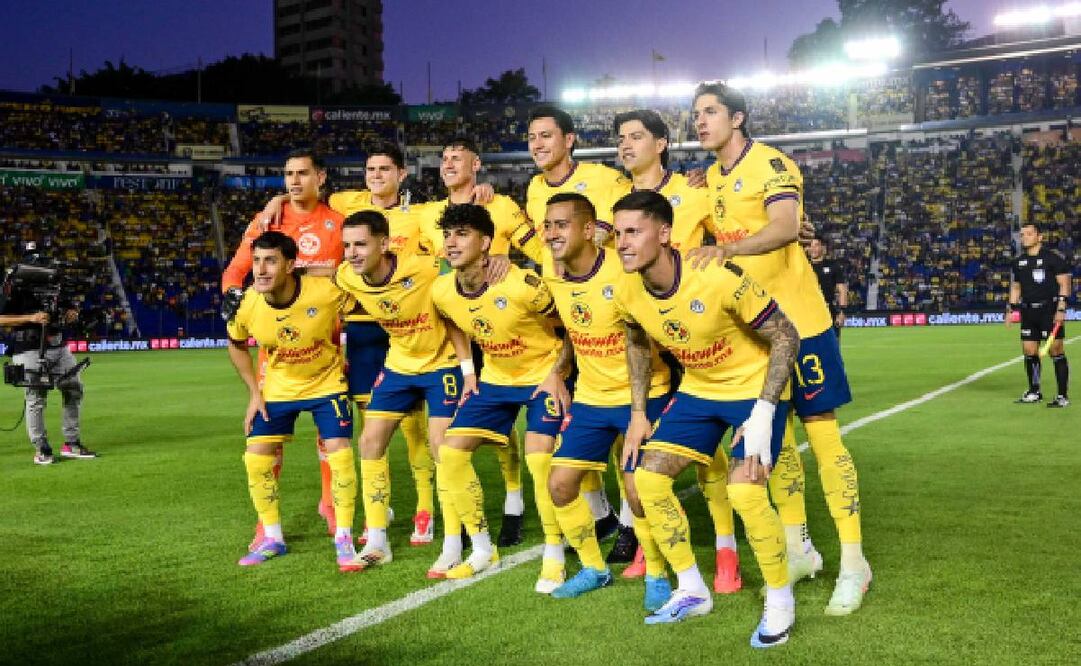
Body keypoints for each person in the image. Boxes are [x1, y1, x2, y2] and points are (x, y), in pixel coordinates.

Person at [690, 81, 872, 615]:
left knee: (826, 441)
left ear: (738, 118)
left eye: (710, 112)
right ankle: (799, 550)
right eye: (695, 114)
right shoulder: (711, 180)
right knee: (778, 444)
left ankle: (855, 563)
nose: (700, 122)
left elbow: (789, 225)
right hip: (756, 330)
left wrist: (727, 249)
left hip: (805, 324)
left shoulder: (771, 164)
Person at [613, 191, 799, 647]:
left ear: (663, 233)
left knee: (744, 490)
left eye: (632, 231)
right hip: (699, 389)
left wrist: (765, 409)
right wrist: (639, 413)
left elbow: (785, 334)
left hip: (756, 390)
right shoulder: (627, 290)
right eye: (617, 233)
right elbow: (637, 340)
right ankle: (692, 589)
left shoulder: (715, 276)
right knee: (649, 480)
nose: (621, 243)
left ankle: (780, 599)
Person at [609, 109, 741, 589]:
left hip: (698, 340)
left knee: (709, 454)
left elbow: (739, 230)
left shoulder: (695, 191)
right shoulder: (608, 194)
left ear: (661, 143)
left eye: (636, 137)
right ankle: (649, 545)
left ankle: (726, 551)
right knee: (638, 446)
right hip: (641, 333)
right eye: (620, 138)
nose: (625, 145)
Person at [540, 192, 674, 609]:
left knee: (637, 493)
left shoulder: (624, 270)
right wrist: (558, 371)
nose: (551, 234)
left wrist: (638, 414)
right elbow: (572, 334)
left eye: (560, 224)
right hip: (592, 400)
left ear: (586, 230)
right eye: (547, 225)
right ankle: (594, 569)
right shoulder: (555, 276)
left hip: (643, 394)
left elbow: (642, 339)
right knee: (559, 485)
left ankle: (657, 571)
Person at [431, 203, 570, 585]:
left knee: (539, 459)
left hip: (543, 375)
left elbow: (571, 324)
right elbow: (454, 324)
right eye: (448, 235)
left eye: (462, 234)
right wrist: (468, 371)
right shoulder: (442, 291)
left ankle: (554, 552)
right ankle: (480, 548)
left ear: (486, 242)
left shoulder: (522, 284)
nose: (452, 242)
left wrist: (559, 373)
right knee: (450, 454)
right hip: (494, 380)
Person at [418, 136, 548, 546]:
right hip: (461, 324)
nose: (449, 163)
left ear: (477, 165)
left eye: (458, 157)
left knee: (524, 430)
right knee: (457, 430)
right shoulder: (427, 216)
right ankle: (454, 527)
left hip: (517, 321)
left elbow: (543, 251)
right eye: (444, 158)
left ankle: (514, 500)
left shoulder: (501, 205)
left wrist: (514, 260)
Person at [335, 210, 475, 572]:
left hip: (441, 364)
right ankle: (378, 541)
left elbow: (453, 312)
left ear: (384, 244)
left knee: (440, 448)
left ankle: (452, 544)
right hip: (398, 365)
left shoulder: (425, 269)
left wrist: (467, 369)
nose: (351, 252)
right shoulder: (347, 277)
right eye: (347, 244)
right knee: (369, 442)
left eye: (360, 244)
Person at [222, 148, 345, 546]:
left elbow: (353, 272)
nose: (294, 181)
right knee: (265, 440)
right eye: (288, 174)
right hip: (277, 350)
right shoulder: (268, 219)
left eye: (303, 173)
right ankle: (266, 525)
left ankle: (331, 504)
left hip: (329, 343)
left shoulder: (337, 222)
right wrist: (232, 298)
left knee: (331, 435)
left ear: (320, 177)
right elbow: (237, 271)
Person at [225, 231, 359, 571]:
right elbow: (236, 344)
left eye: (270, 261)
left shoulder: (325, 292)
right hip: (277, 389)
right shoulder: (248, 303)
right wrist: (254, 393)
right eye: (256, 261)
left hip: (326, 384)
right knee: (255, 456)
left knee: (339, 451)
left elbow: (361, 289)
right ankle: (272, 537)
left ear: (290, 264)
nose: (261, 269)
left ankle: (343, 536)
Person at [525, 105, 624, 536]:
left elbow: (646, 203)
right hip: (565, 312)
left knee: (622, 428)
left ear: (570, 140)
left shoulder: (604, 178)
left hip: (611, 307)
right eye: (531, 138)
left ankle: (634, 524)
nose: (538, 144)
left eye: (547, 135)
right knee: (581, 424)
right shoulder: (531, 189)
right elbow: (542, 244)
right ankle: (602, 515)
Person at [0, 302, 94, 465]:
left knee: (74, 389)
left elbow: (69, 307)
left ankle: (71, 443)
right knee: (36, 397)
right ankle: (41, 448)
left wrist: (72, 313)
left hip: (59, 345)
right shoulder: (16, 286)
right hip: (28, 348)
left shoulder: (55, 284)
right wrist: (31, 318)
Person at [1007, 222, 1071, 406]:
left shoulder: (1053, 258)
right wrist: (1011, 308)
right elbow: (1016, 286)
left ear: (1039, 237)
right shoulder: (1018, 262)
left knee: (1055, 350)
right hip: (1028, 311)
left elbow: (1065, 284)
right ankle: (1034, 391)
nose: (1024, 237)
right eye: (1022, 234)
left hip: (1049, 311)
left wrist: (1061, 308)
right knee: (1029, 351)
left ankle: (1062, 396)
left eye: (1028, 234)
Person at [807, 234, 848, 337]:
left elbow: (842, 289)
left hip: (829, 311)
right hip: (808, 311)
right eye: (810, 245)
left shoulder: (833, 266)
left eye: (816, 245)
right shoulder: (804, 267)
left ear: (823, 248)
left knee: (833, 347)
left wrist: (842, 312)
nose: (813, 248)